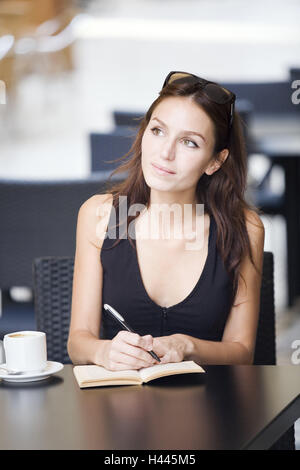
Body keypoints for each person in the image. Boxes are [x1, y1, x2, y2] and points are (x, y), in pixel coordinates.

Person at [67, 71, 265, 370]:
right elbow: (78, 341)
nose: (165, 153)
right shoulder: (101, 214)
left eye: (189, 142)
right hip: (119, 406)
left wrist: (187, 346)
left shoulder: (245, 229)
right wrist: (104, 352)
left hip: (210, 407)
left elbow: (242, 352)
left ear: (216, 161)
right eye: (158, 131)